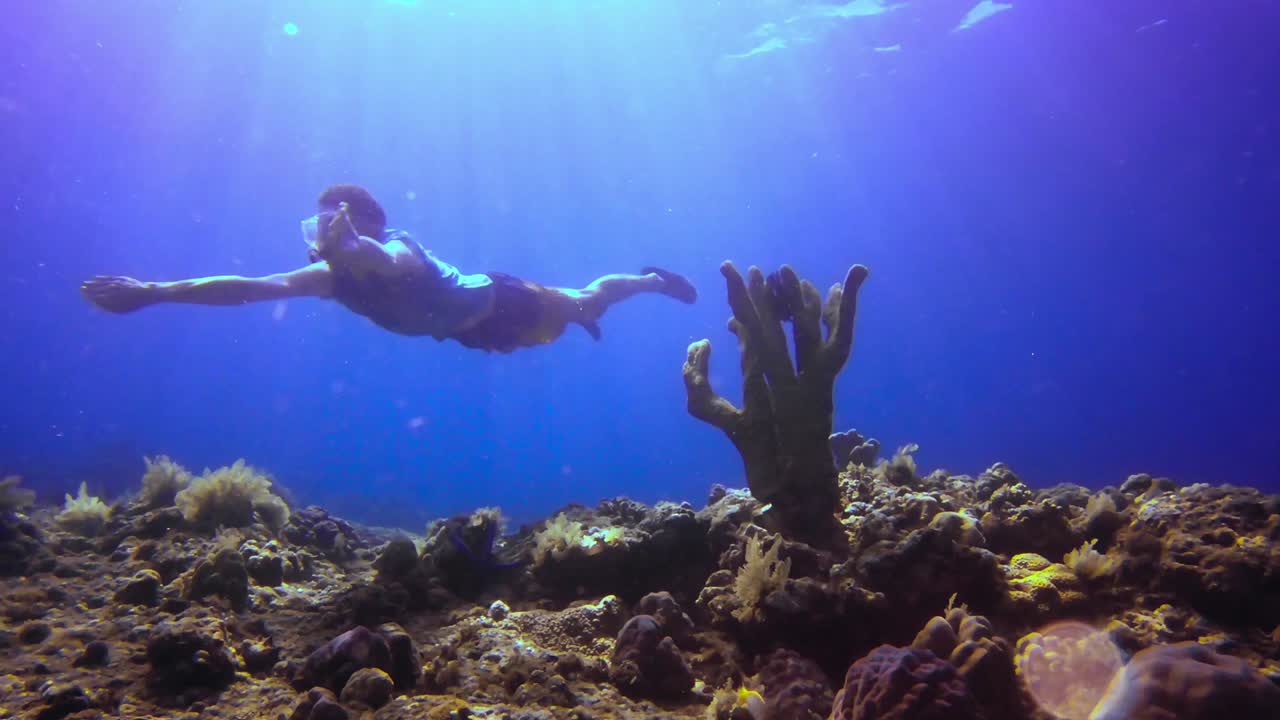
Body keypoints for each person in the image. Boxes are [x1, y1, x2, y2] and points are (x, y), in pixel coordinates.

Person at [80, 184, 698, 353]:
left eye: (339, 226)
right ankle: (603, 304)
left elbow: (389, 261)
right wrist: (154, 291)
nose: (325, 240)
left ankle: (651, 280)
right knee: (570, 321)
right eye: (318, 228)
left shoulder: (401, 247)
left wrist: (356, 248)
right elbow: (251, 287)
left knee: (588, 301)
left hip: (505, 300)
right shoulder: (330, 278)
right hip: (476, 332)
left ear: (367, 225)